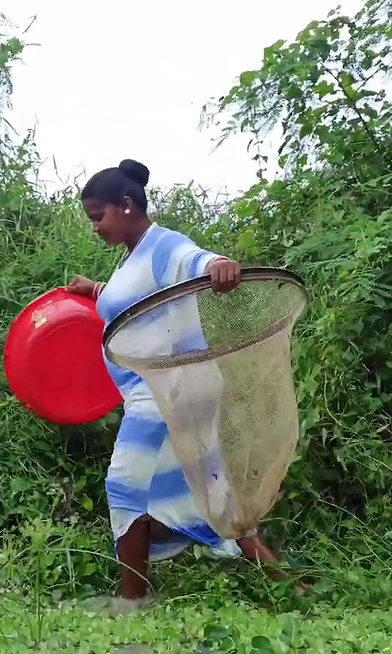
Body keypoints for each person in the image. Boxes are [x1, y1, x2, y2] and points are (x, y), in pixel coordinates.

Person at [65, 158, 292, 607]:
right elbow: (140, 300)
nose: (95, 227)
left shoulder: (163, 244)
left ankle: (132, 601)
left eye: (98, 217)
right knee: (212, 492)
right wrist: (95, 291)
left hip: (164, 393)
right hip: (169, 392)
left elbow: (194, 260)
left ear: (126, 205)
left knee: (125, 485)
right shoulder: (136, 256)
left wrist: (220, 265)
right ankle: (290, 587)